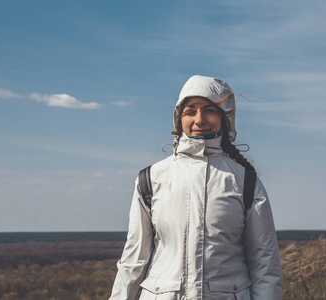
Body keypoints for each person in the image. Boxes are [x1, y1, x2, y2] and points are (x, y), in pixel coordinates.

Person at [109, 75, 282, 300]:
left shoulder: (245, 182)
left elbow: (265, 265)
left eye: (209, 110)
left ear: (224, 117)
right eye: (190, 111)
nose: (199, 119)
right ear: (178, 119)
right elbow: (133, 261)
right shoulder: (151, 179)